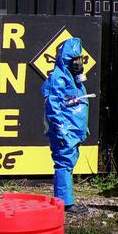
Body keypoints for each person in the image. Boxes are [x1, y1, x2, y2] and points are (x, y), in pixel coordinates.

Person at [41, 37, 91, 215]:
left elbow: (78, 103)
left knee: (68, 162)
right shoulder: (59, 78)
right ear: (65, 60)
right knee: (64, 163)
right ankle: (66, 203)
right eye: (74, 60)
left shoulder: (72, 77)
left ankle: (66, 200)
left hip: (73, 130)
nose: (78, 63)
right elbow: (53, 105)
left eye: (80, 59)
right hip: (64, 130)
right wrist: (60, 128)